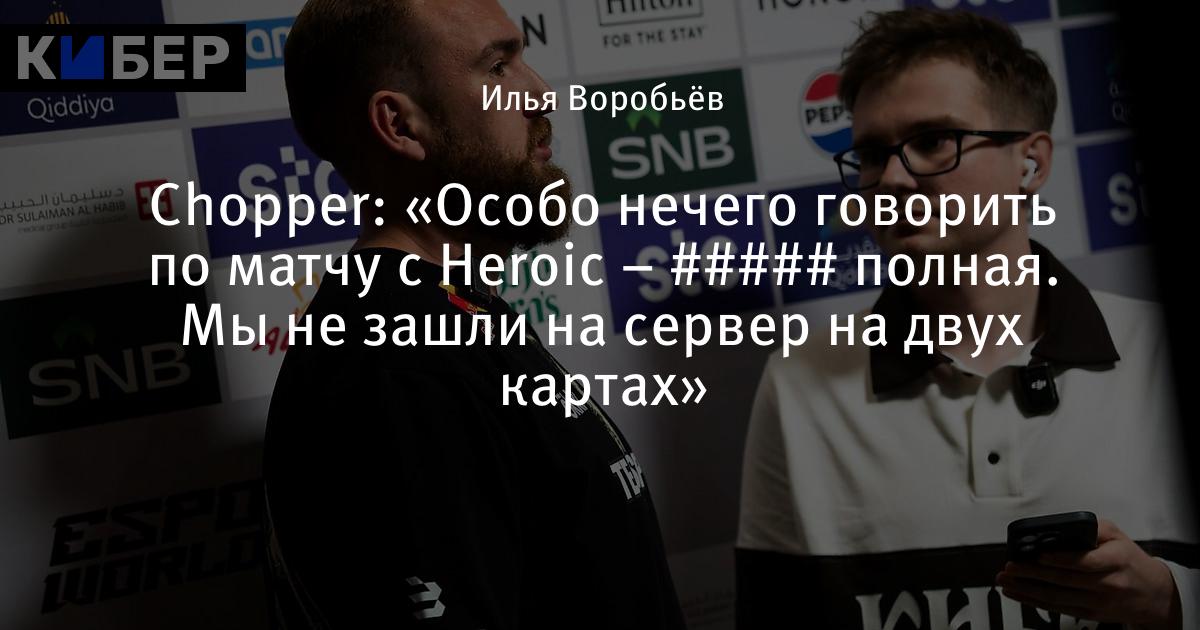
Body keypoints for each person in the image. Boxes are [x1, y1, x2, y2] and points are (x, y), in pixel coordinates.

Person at [736, 8, 1198, 630]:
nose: (890, 180)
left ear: (1031, 163)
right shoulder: (798, 383)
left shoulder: (1156, 352)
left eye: (933, 141)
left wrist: (1171, 601)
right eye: (871, 154)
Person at [261, 1, 685, 628]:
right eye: (497, 68)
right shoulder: (403, 365)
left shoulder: (442, 318)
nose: (541, 94)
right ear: (400, 125)